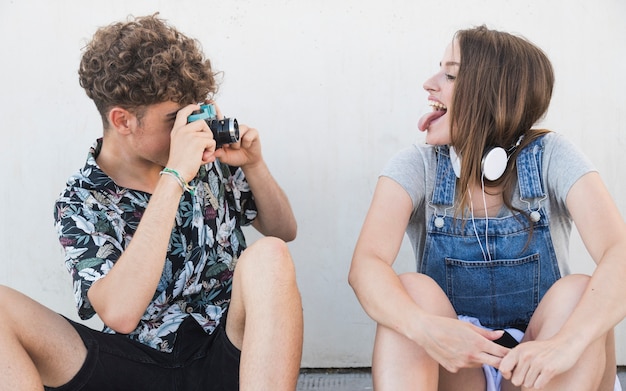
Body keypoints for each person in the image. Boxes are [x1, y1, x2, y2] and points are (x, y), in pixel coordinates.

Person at [0, 14, 303, 390]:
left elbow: (284, 230)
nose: (187, 130)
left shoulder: (207, 159)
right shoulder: (81, 200)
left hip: (226, 354)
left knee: (270, 253)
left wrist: (255, 166)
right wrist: (174, 177)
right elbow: (121, 314)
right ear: (123, 121)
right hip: (139, 364)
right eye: (174, 119)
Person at [349, 25, 626, 391]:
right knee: (410, 292)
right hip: (460, 368)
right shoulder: (416, 166)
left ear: (494, 95)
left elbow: (619, 252)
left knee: (577, 293)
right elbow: (365, 266)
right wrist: (425, 328)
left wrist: (565, 345)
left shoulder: (553, 156)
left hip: (541, 371)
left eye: (450, 74)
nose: (429, 84)